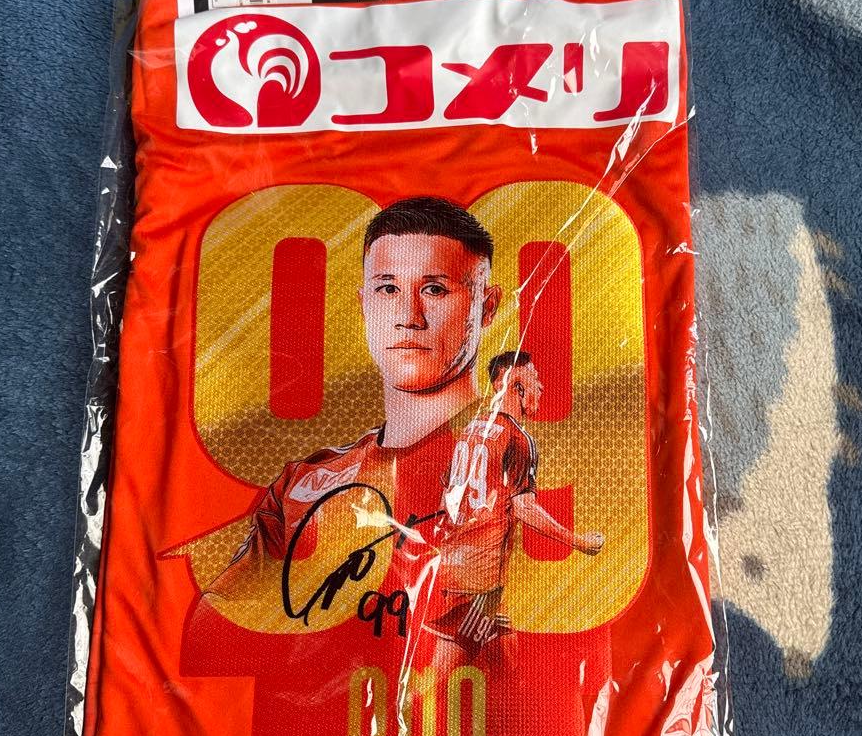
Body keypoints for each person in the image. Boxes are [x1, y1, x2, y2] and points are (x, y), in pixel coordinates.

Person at [197, 196, 602, 671]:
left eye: (435, 289)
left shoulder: (513, 445)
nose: (408, 315)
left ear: (486, 306)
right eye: (388, 288)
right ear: (364, 305)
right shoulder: (303, 485)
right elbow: (208, 644)